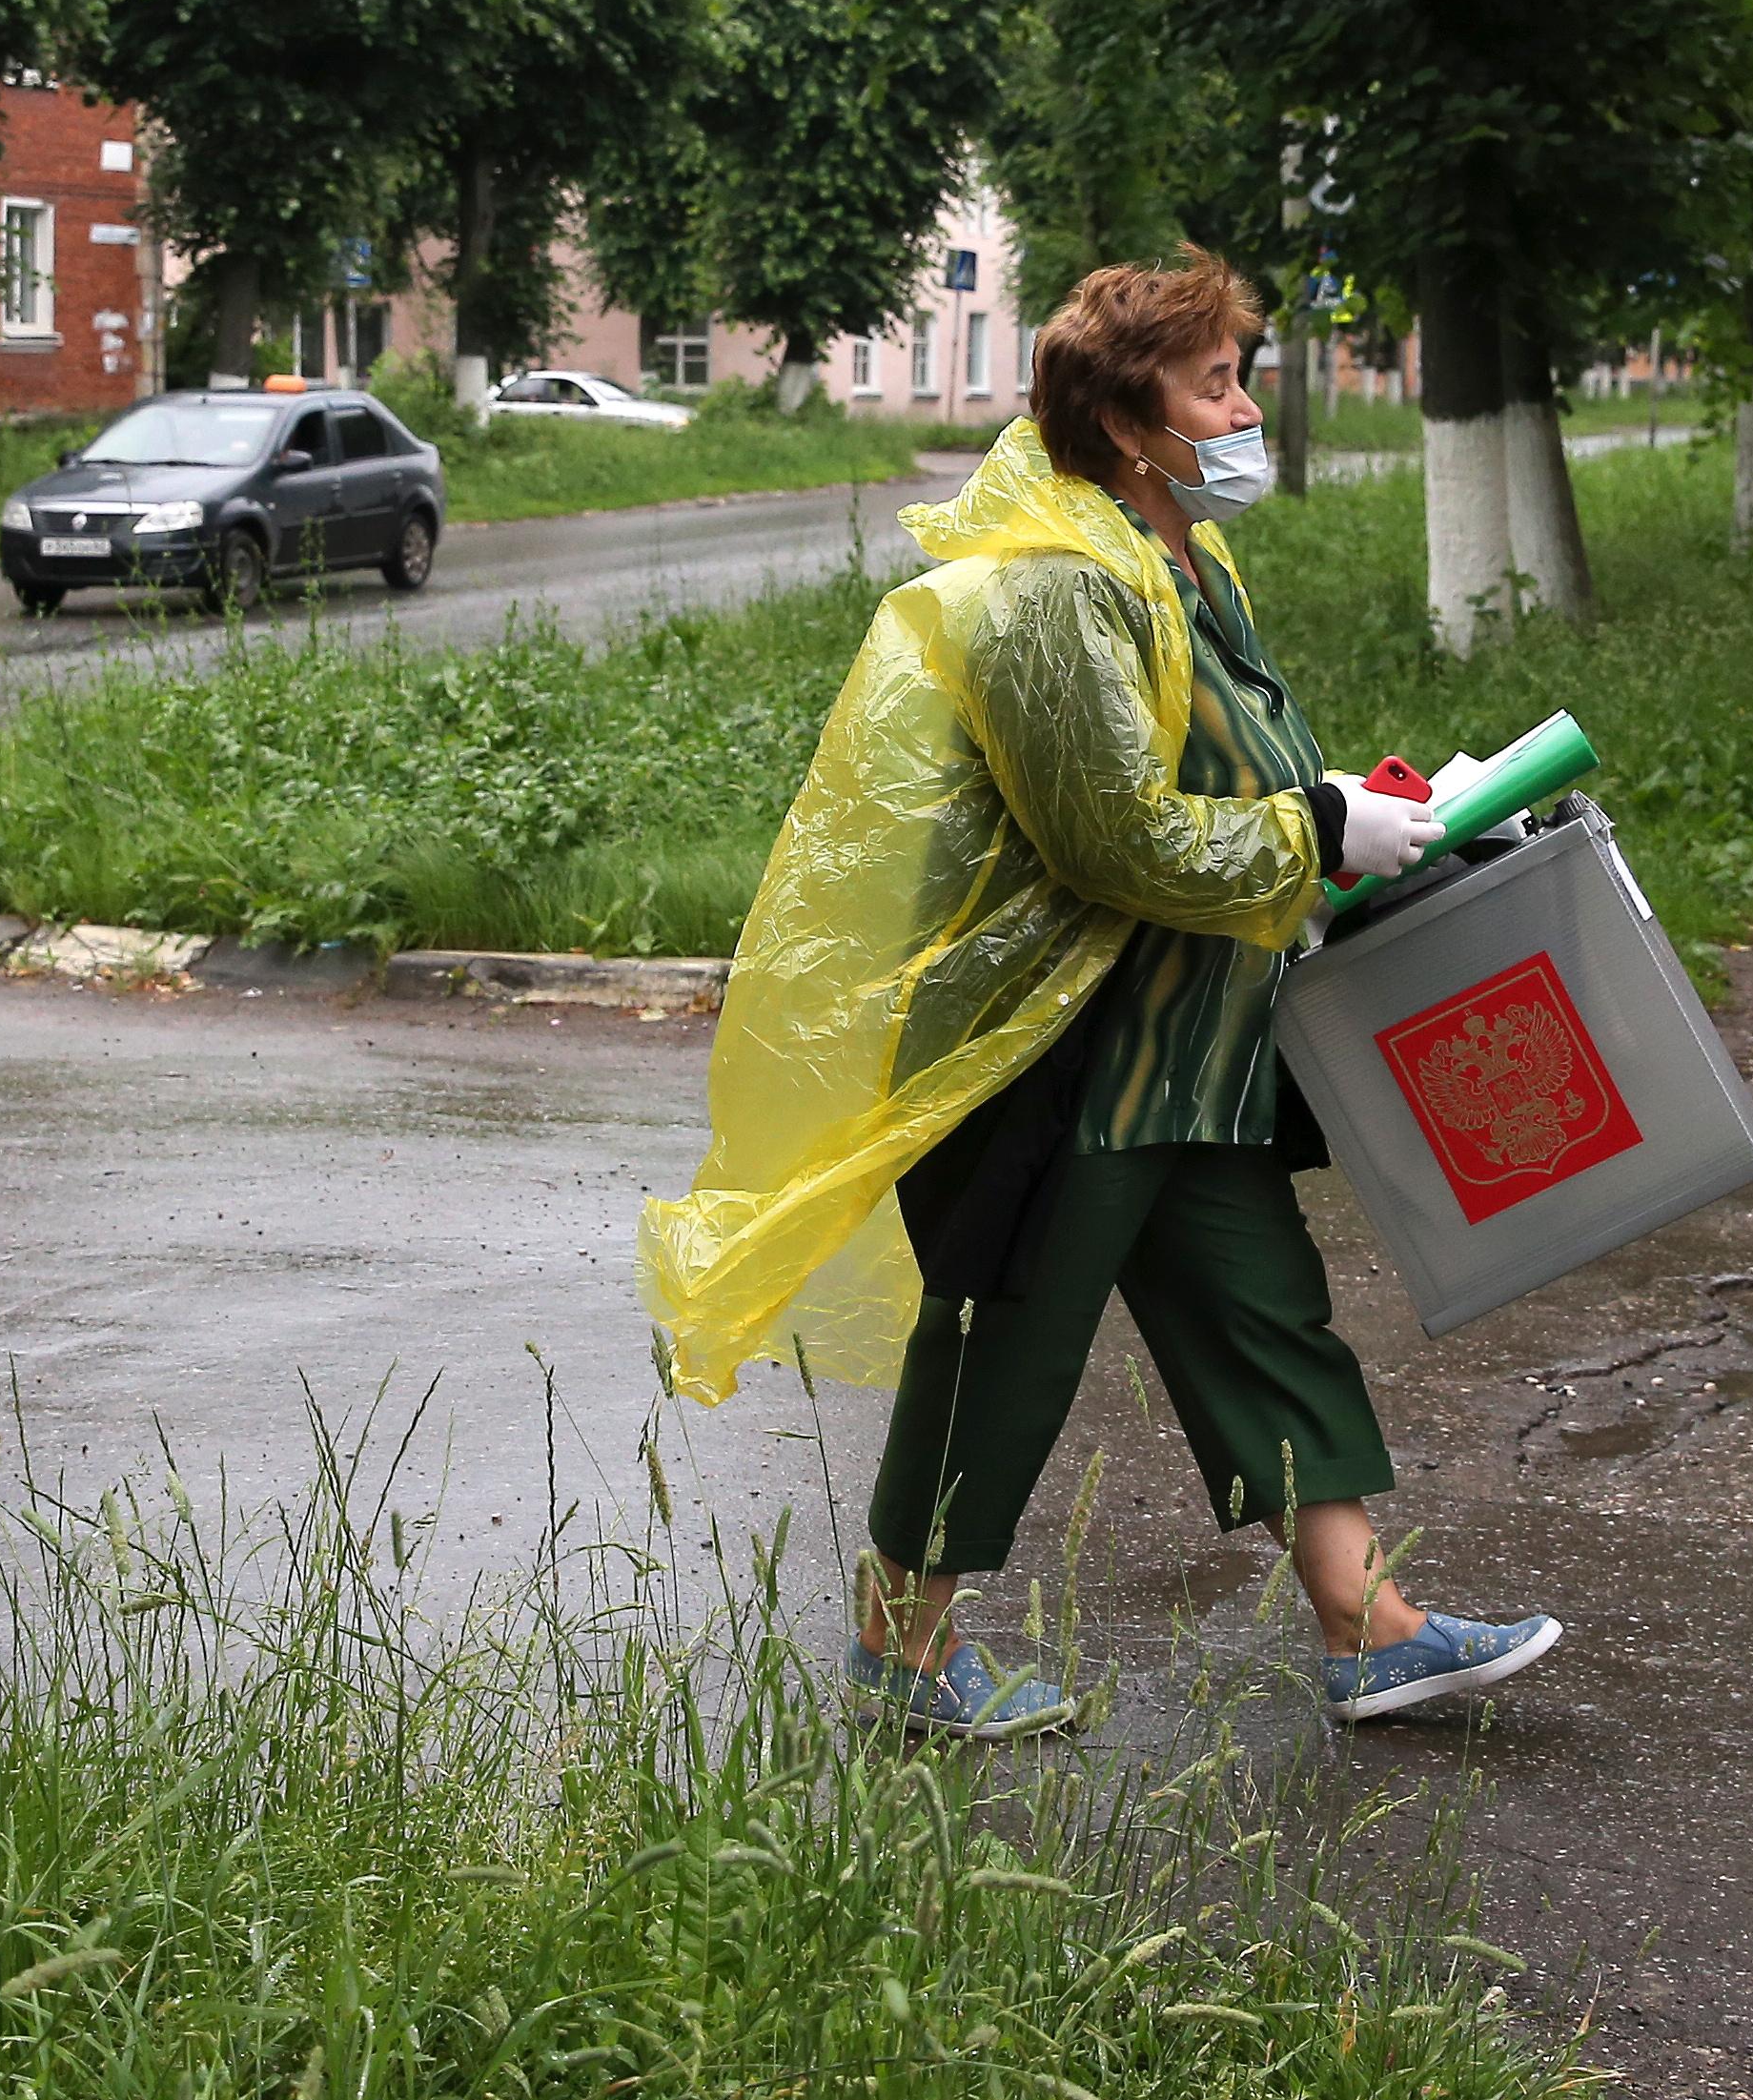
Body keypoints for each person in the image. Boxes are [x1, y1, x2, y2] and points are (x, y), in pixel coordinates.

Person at [640, 251, 1560, 1739]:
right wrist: (1316, 830)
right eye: (1215, 383)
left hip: (1193, 1053)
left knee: (1269, 1322)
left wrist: (1392, 825)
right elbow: (1111, 835)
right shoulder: (1053, 591)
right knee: (1001, 1349)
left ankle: (1367, 1629)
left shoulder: (1185, 562)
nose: (1244, 406)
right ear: (1128, 420)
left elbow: (1231, 776)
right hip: (1058, 1063)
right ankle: (903, 1650)